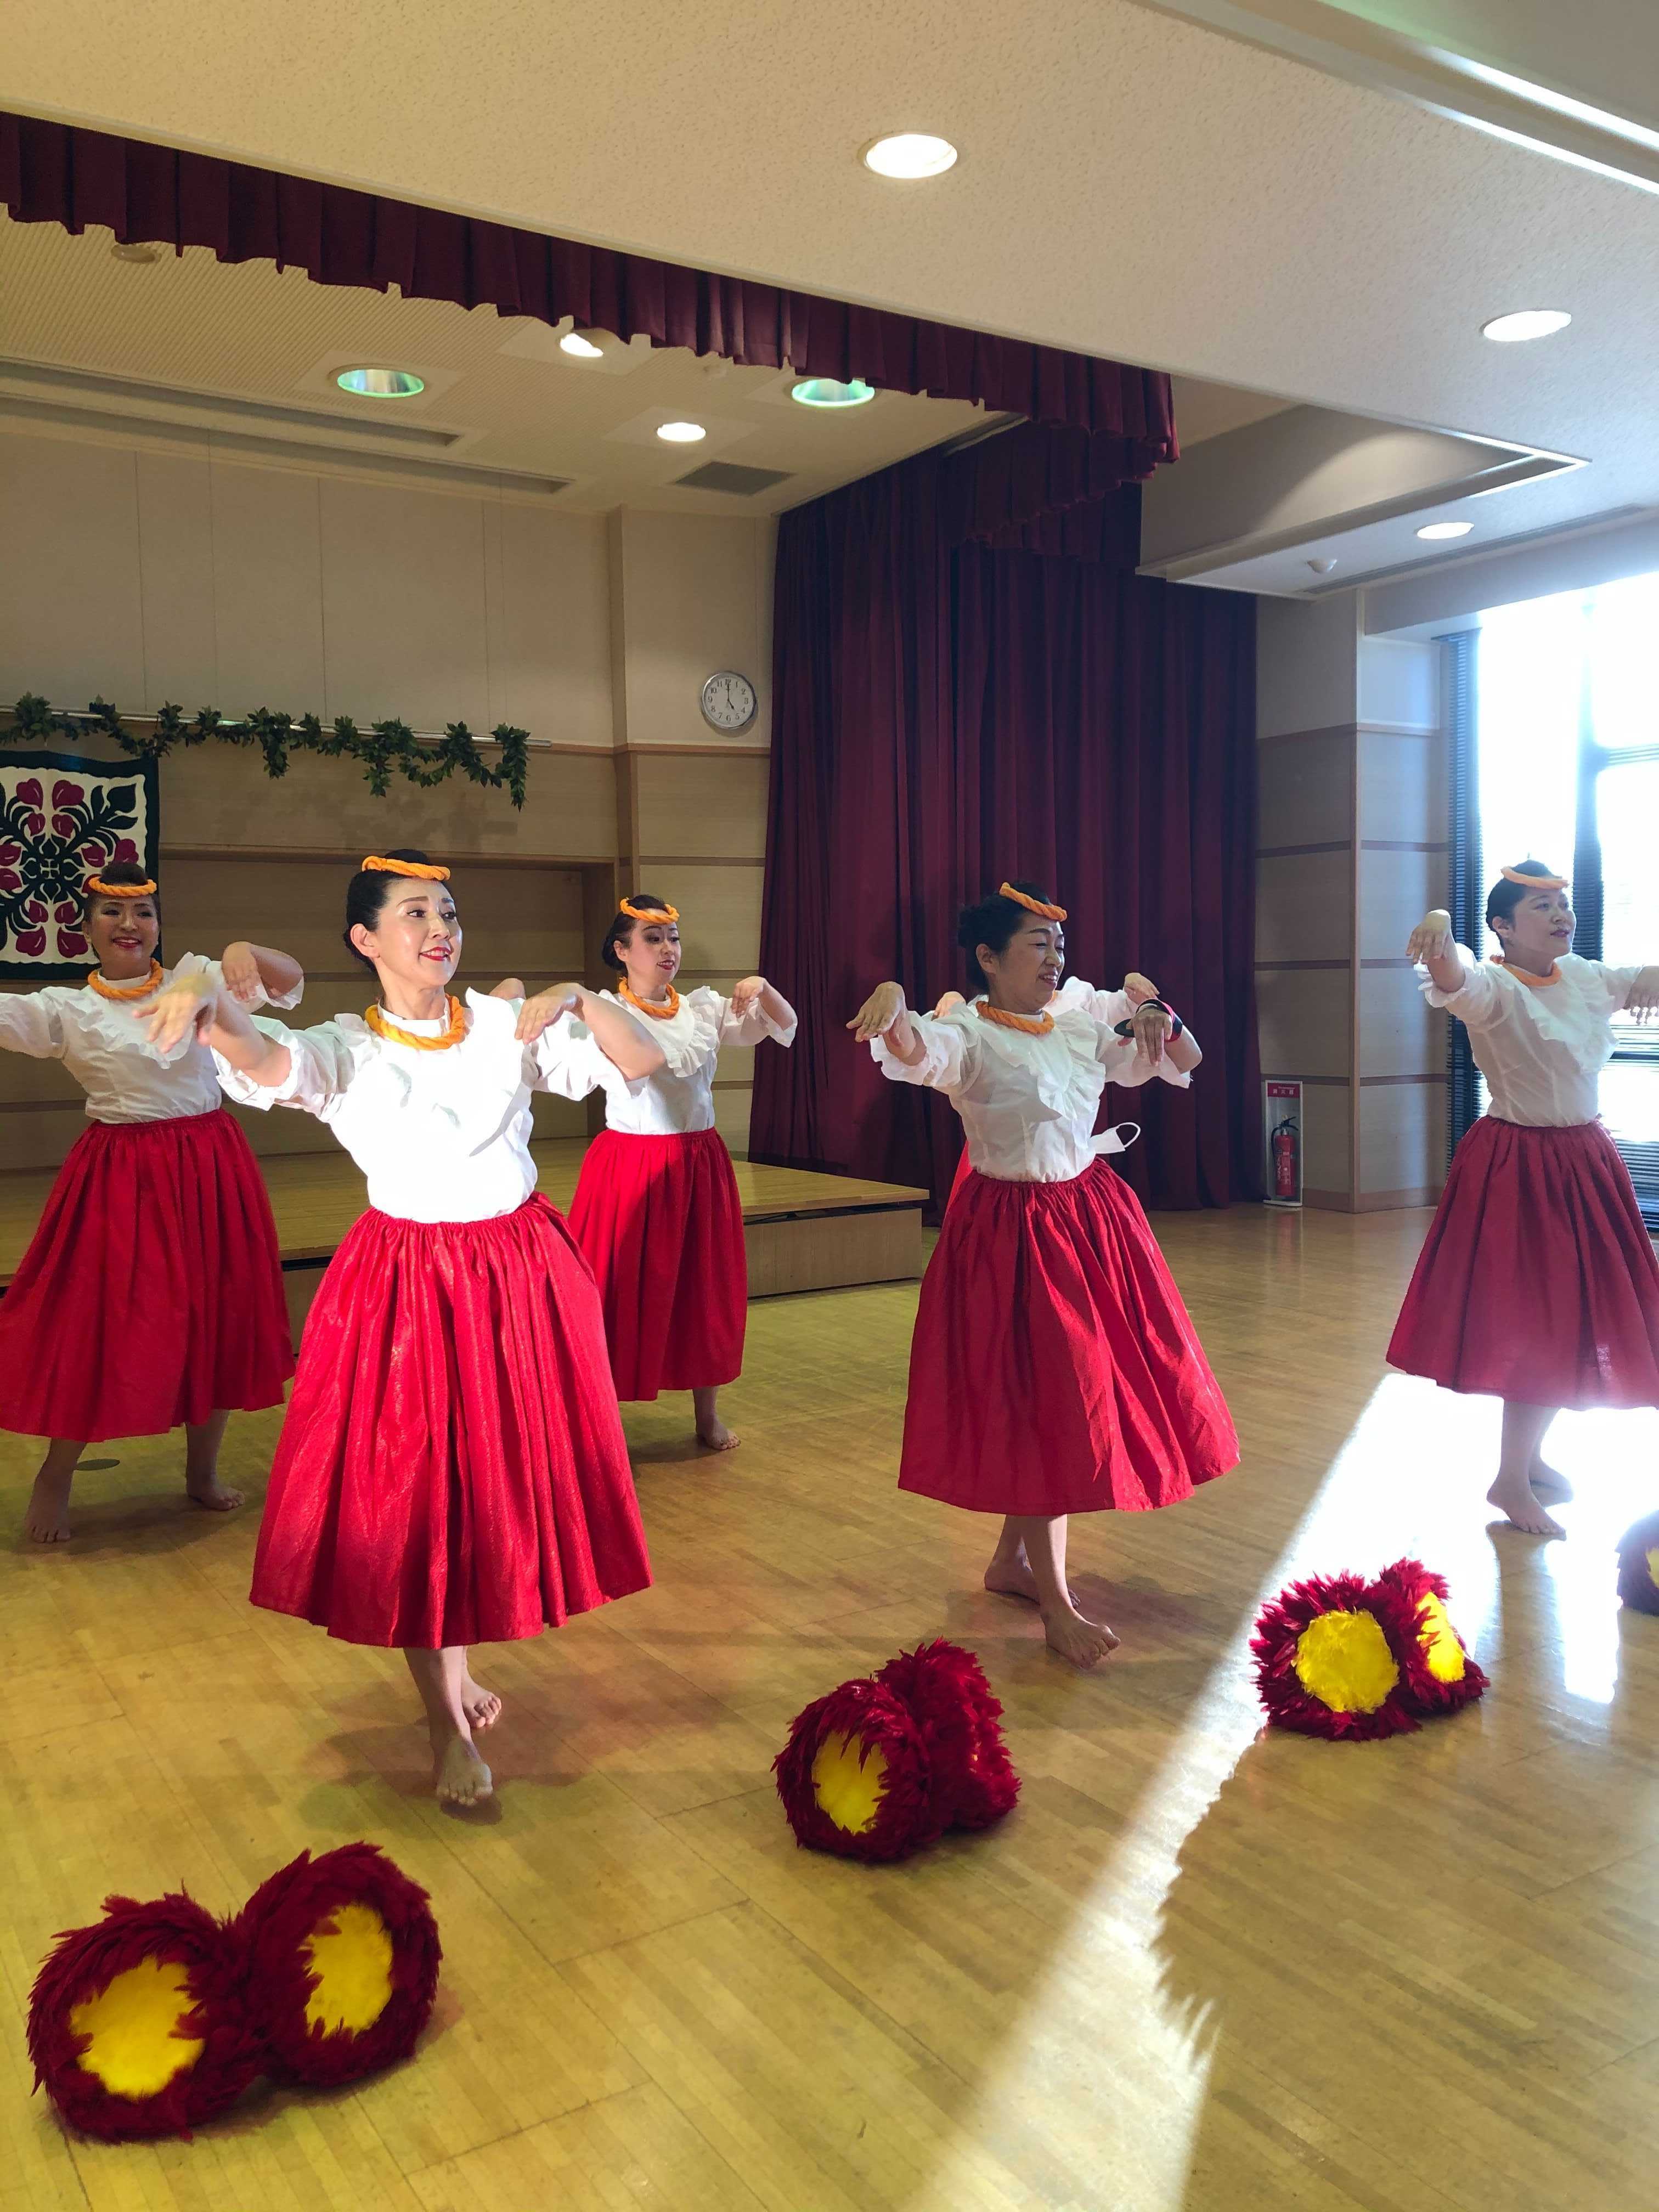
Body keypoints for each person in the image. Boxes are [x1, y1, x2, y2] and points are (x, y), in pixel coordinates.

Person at [203, 850, 660, 1806]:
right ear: (365, 940)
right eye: (413, 913)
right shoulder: (345, 1048)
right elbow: (263, 1060)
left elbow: (639, 1059)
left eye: (447, 912)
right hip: (409, 1288)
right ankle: (444, 1720)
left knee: (494, 1488)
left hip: (522, 1274)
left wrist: (580, 995)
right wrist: (216, 988)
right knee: (420, 1498)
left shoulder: (498, 1023)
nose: (439, 929)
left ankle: (459, 1667)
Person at [848, 880, 1239, 1667]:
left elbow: (1185, 1059)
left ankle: (1011, 1563)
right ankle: (1056, 1601)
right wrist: (892, 1009)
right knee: (1049, 1401)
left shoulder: (1080, 1023)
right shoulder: (968, 1033)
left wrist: (1163, 1016)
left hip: (1090, 1222)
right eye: (1038, 945)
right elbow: (920, 1053)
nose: (1055, 958)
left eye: (1059, 945)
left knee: (1061, 1397)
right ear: (989, 958)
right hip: (1012, 1235)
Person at [0, 860, 300, 1542]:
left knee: (218, 1314)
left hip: (211, 1166)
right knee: (97, 1322)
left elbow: (286, 979)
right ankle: (56, 1475)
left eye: (143, 912)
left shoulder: (198, 978)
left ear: (159, 925)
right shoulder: (65, 1010)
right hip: (121, 1176)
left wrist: (243, 951)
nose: (129, 924)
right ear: (86, 930)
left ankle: (202, 1471)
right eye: (111, 912)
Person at [1390, 860, 1659, 1536]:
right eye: (1542, 907)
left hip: (1585, 1160)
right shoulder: (1493, 987)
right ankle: (1510, 1479)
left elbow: (1645, 980)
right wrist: (1440, 925)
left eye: (1562, 904)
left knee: (1577, 1316)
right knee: (1543, 1322)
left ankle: (1529, 1463)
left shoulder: (1586, 976)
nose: (1561, 915)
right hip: (1521, 1167)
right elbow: (1451, 974)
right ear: (1503, 927)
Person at [546, 893, 797, 1452]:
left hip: (700, 1164)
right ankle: (599, 1422)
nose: (668, 949)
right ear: (621, 950)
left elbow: (785, 1025)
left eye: (674, 938)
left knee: (704, 1288)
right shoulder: (604, 1013)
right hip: (630, 1165)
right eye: (653, 939)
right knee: (615, 1288)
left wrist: (762, 986)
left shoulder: (702, 1009)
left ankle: (707, 1415)